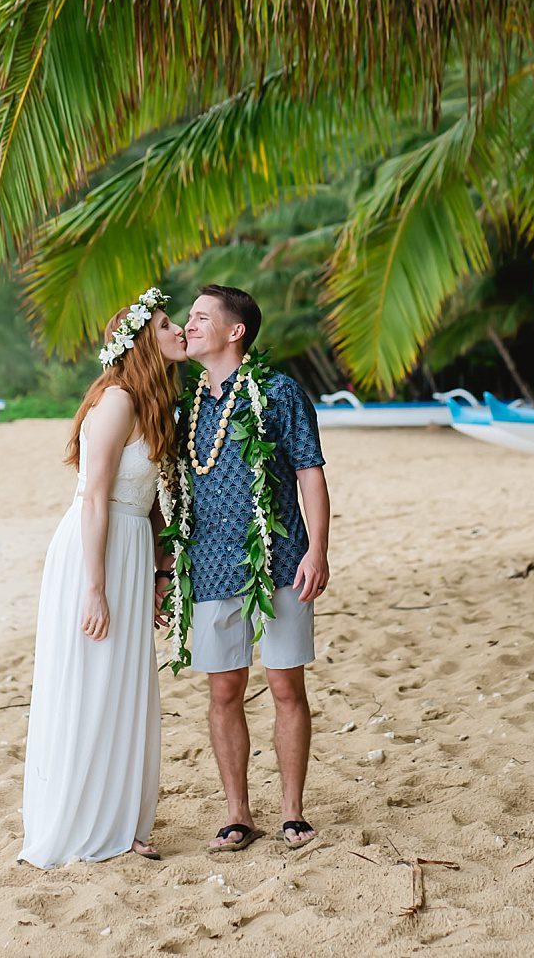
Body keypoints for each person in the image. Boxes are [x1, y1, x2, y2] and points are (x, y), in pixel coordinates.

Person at [18, 288, 188, 868]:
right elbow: (93, 497)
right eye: (167, 324)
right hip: (99, 549)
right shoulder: (115, 401)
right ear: (143, 340)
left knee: (125, 684)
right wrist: (94, 587)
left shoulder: (153, 404)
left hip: (134, 546)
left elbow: (152, 498)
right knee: (92, 679)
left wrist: (163, 569)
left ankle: (120, 822)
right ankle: (84, 823)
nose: (179, 331)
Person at [178, 284, 331, 853]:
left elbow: (310, 472)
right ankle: (238, 814)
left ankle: (293, 812)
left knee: (286, 685)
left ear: (235, 330)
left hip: (282, 559)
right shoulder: (186, 404)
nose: (188, 325)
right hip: (210, 565)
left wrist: (318, 549)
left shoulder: (279, 391)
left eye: (199, 317)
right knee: (224, 691)